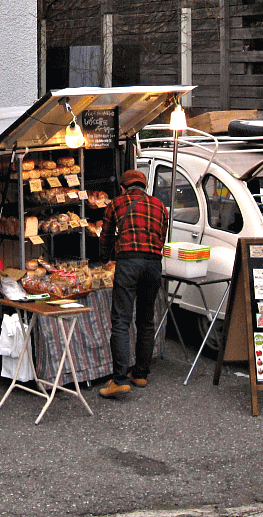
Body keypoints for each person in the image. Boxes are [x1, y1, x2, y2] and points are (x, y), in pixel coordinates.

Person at [97, 169, 169, 399]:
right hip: (153, 264)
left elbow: (106, 236)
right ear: (144, 187)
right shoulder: (160, 206)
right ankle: (140, 374)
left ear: (122, 188)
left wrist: (105, 259)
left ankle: (119, 379)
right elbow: (162, 237)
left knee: (121, 321)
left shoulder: (116, 203)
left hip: (128, 263)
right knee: (146, 320)